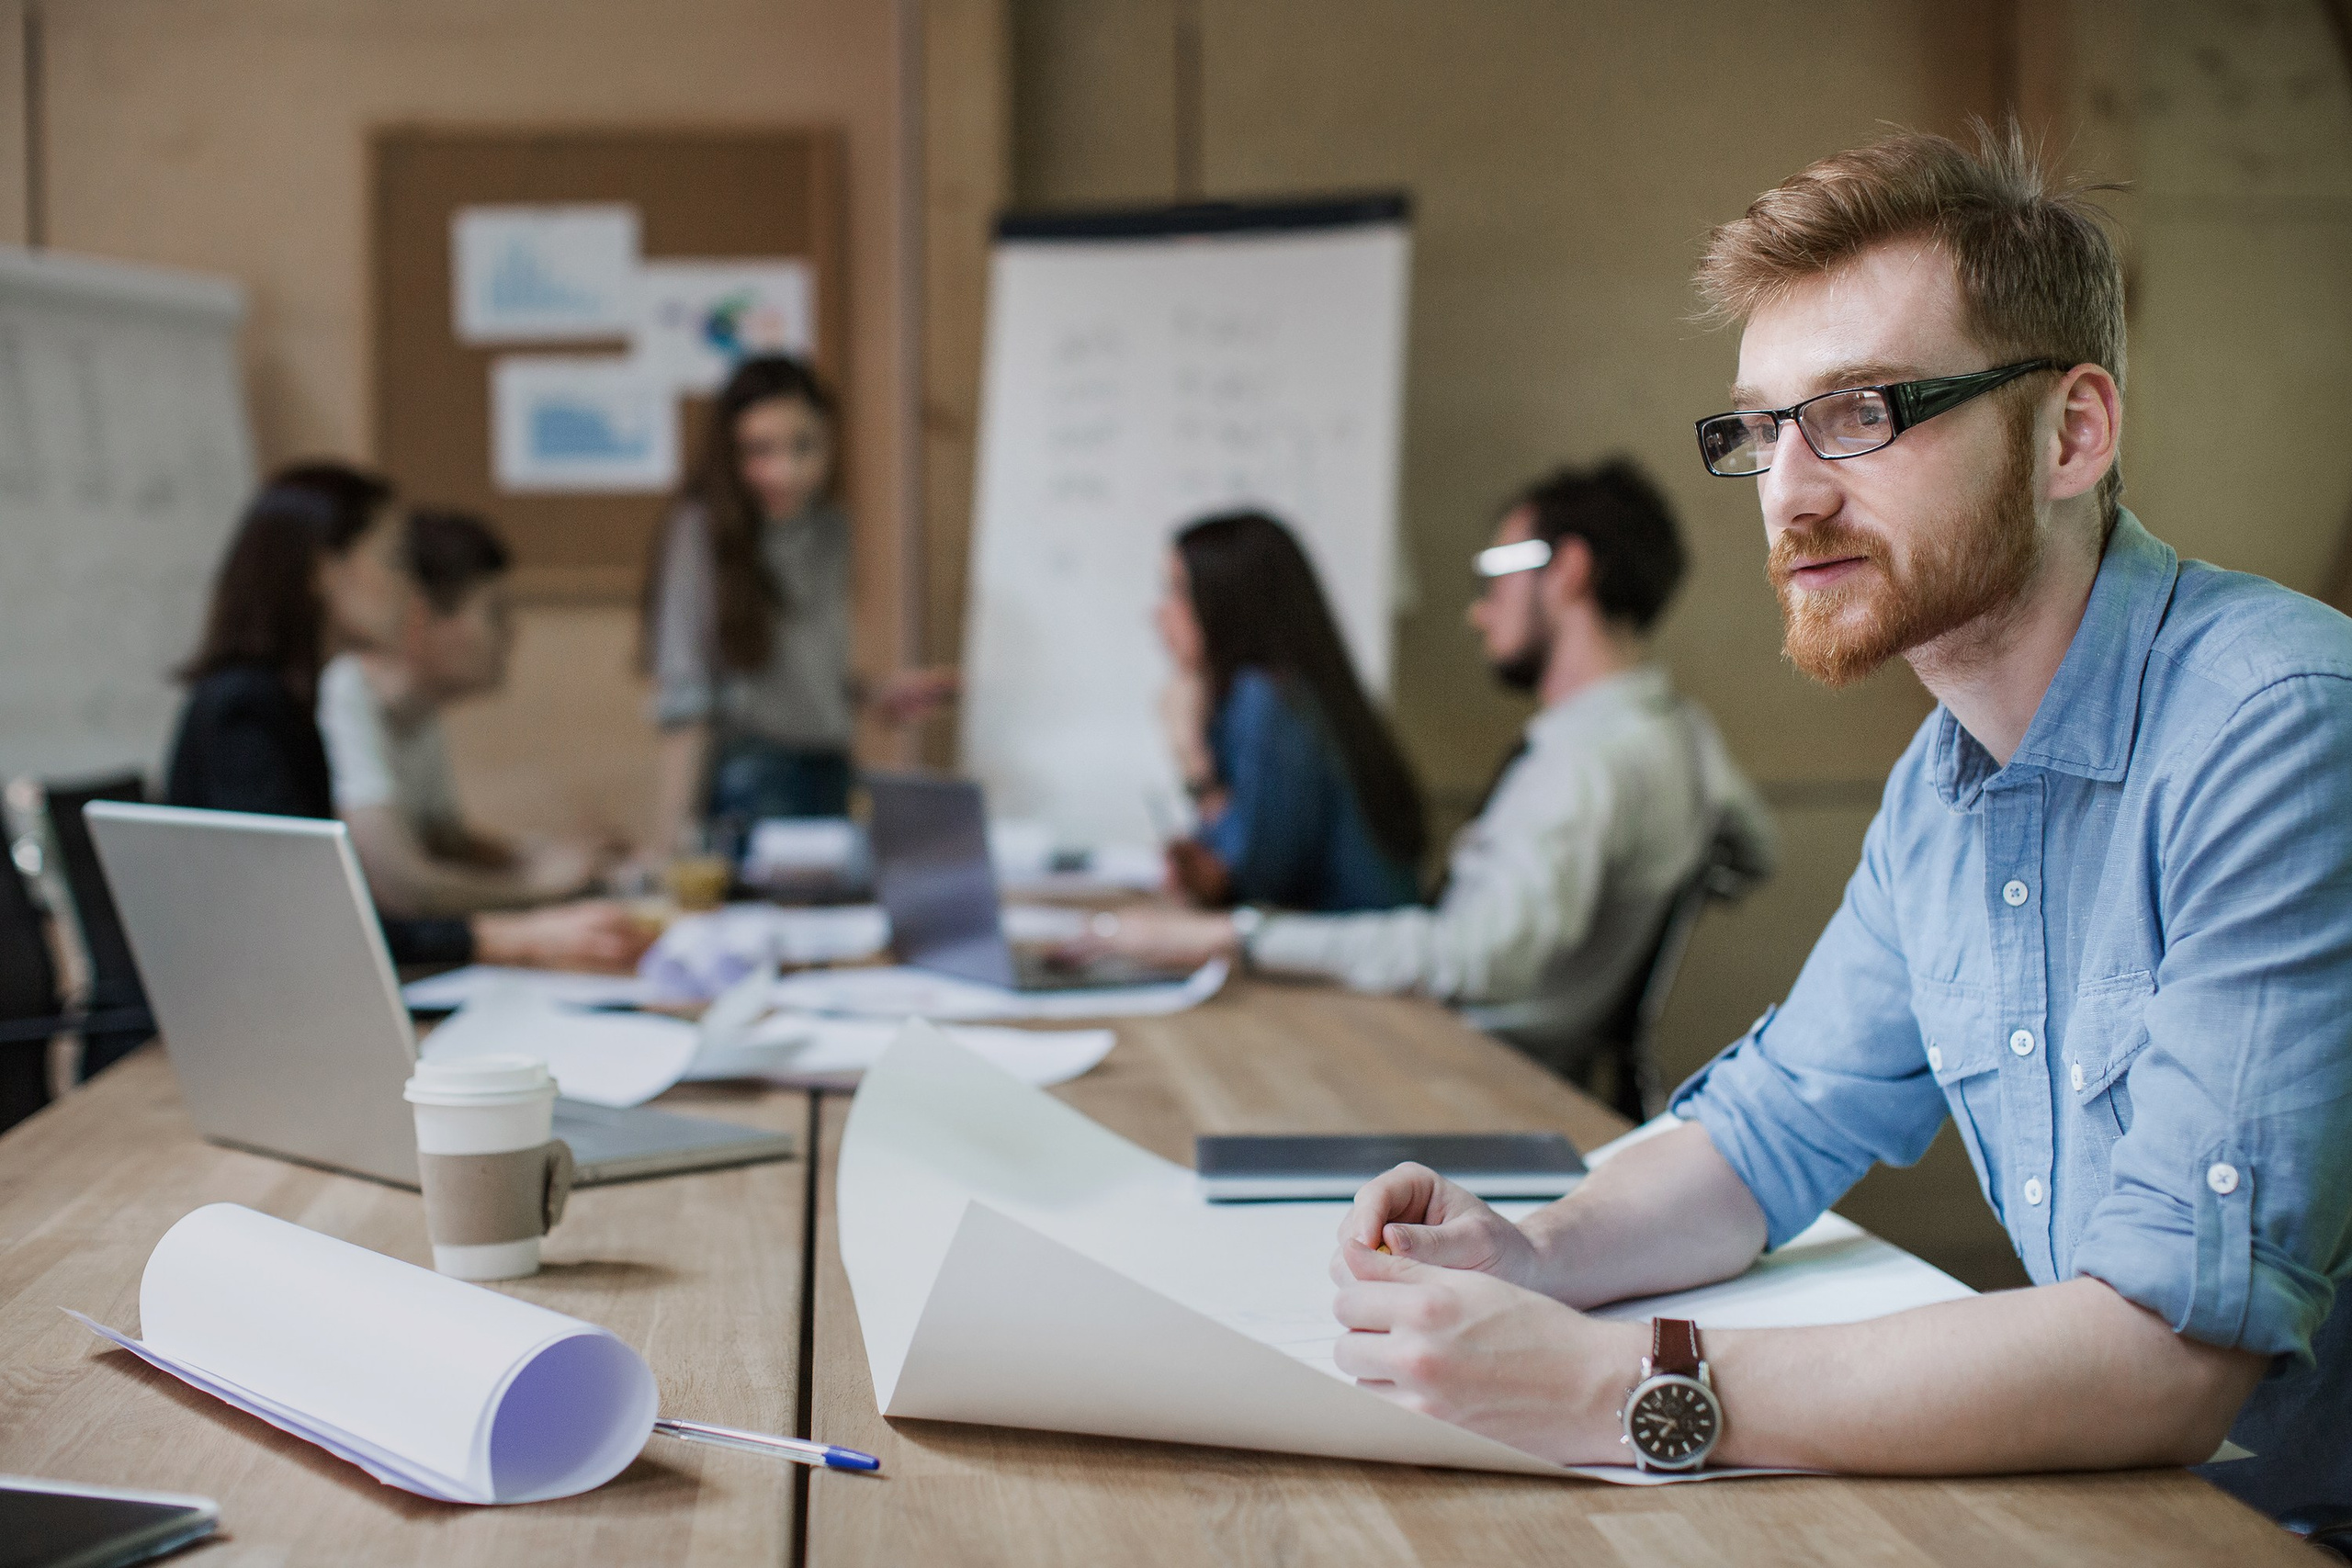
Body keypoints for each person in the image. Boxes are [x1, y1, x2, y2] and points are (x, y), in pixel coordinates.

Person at [1326, 127, 2352, 1517]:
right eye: (1762, 427)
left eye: (1864, 411)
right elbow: (1769, 1131)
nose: (1792, 494)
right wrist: (1534, 1256)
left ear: (2071, 432)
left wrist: (1615, 1379)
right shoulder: (1944, 782)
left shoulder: (2278, 725)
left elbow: (2167, 1357)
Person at [1090, 462, 1772, 1077]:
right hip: (1479, 1047)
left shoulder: (1586, 763)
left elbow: (1468, 957)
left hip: (1464, 1062)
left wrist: (1236, 934)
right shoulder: (1681, 728)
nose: (1479, 610)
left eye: (1497, 570)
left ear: (1567, 570)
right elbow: (1752, 853)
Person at [168, 463, 646, 972]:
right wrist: (513, 933)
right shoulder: (246, 708)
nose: (409, 587)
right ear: (323, 571)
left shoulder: (294, 700)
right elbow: (313, 925)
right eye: (395, 560)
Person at [641, 355, 955, 860]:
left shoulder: (833, 531)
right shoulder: (699, 532)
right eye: (759, 451)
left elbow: (798, 673)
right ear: (730, 454)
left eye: (803, 447)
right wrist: (670, 842)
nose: (784, 472)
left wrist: (874, 693)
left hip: (831, 769)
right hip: (748, 780)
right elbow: (687, 700)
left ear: (829, 443)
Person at [319, 508, 616, 917]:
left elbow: (445, 841)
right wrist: (541, 887)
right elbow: (400, 884)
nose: (512, 633)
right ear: (421, 618)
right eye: (494, 613)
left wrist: (543, 854)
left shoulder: (420, 712)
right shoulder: (344, 691)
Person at [1155, 511, 1424, 914]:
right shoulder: (1274, 692)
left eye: (1178, 591)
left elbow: (1254, 882)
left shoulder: (1270, 700)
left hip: (1352, 963)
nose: (1160, 614)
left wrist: (1193, 758)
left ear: (1226, 600)